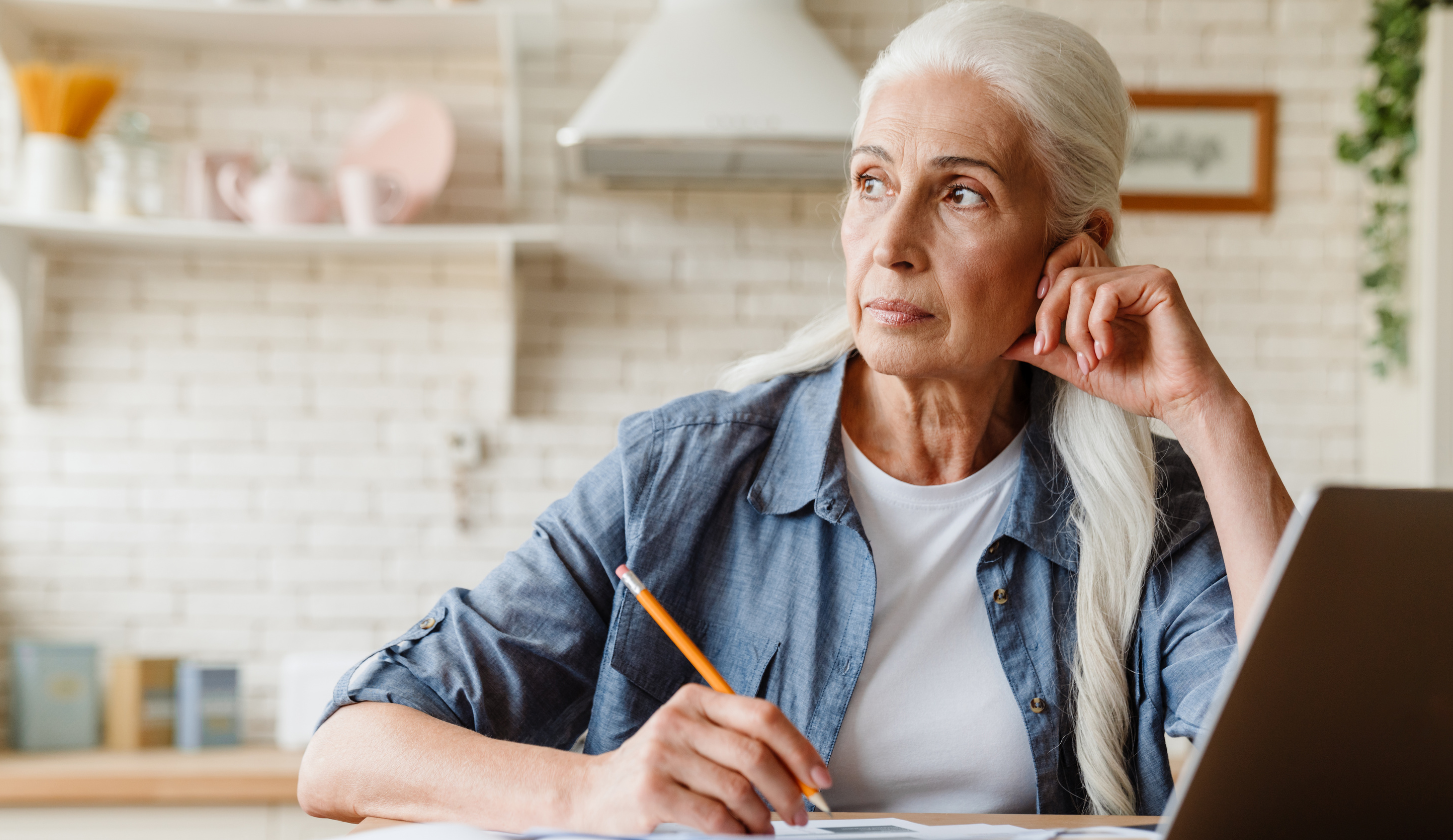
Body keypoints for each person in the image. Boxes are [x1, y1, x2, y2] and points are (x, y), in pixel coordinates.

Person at [298, 2, 1295, 831]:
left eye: (960, 193)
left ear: (1075, 250)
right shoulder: (682, 474)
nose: (890, 242)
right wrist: (591, 790)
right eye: (871, 182)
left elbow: (1317, 775)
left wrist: (1208, 413)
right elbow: (346, 752)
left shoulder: (1149, 509)